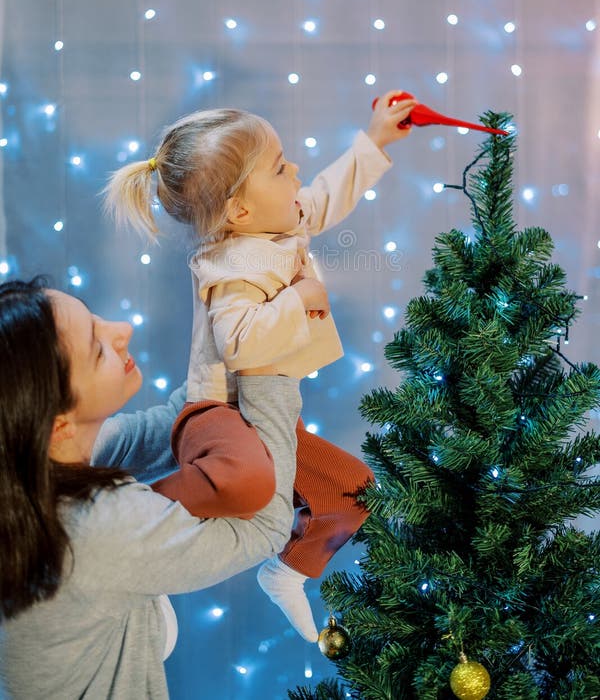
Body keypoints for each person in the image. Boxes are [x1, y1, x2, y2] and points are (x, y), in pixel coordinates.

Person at [104, 90, 417, 642]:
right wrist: (301, 297)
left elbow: (321, 198)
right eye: (278, 166)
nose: (294, 169)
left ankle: (288, 571)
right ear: (240, 210)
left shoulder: (275, 223)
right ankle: (140, 547)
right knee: (243, 487)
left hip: (268, 411)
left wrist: (374, 142)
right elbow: (241, 343)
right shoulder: (233, 264)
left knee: (354, 489)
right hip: (223, 414)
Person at [0, 277, 301, 699]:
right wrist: (273, 362)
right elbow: (266, 528)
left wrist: (228, 300)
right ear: (58, 425)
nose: (122, 329)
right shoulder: (93, 529)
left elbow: (176, 420)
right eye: (97, 348)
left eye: (96, 319)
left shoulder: (23, 467)